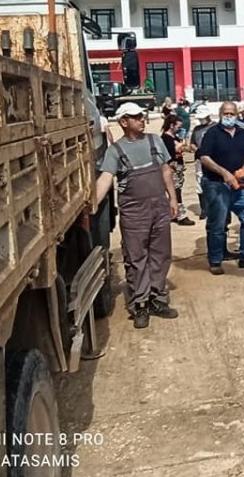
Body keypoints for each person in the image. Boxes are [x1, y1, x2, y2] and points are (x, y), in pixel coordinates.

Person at [94, 102, 179, 329]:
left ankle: (158, 299)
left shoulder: (155, 141)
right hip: (134, 212)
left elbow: (165, 171)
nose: (142, 120)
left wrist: (173, 199)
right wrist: (91, 204)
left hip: (159, 207)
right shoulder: (115, 151)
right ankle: (140, 304)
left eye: (142, 116)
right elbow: (105, 179)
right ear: (123, 122)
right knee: (136, 258)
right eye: (136, 117)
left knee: (161, 254)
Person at [196, 101, 244, 275]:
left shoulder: (242, 133)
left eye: (232, 113)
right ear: (220, 113)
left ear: (237, 114)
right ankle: (216, 259)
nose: (229, 116)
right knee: (218, 222)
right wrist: (225, 173)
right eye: (226, 113)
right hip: (216, 184)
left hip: (240, 184)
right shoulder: (212, 133)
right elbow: (204, 158)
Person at [161, 114, 196, 226]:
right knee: (176, 192)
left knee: (178, 190)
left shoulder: (174, 137)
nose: (179, 129)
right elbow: (169, 153)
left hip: (178, 167)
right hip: (172, 168)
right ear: (172, 126)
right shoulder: (165, 138)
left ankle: (173, 213)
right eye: (178, 127)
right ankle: (180, 214)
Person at [189, 108, 214, 220]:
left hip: (214, 159)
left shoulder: (215, 127)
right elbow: (192, 144)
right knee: (200, 182)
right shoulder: (197, 129)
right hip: (200, 159)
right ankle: (204, 209)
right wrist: (197, 150)